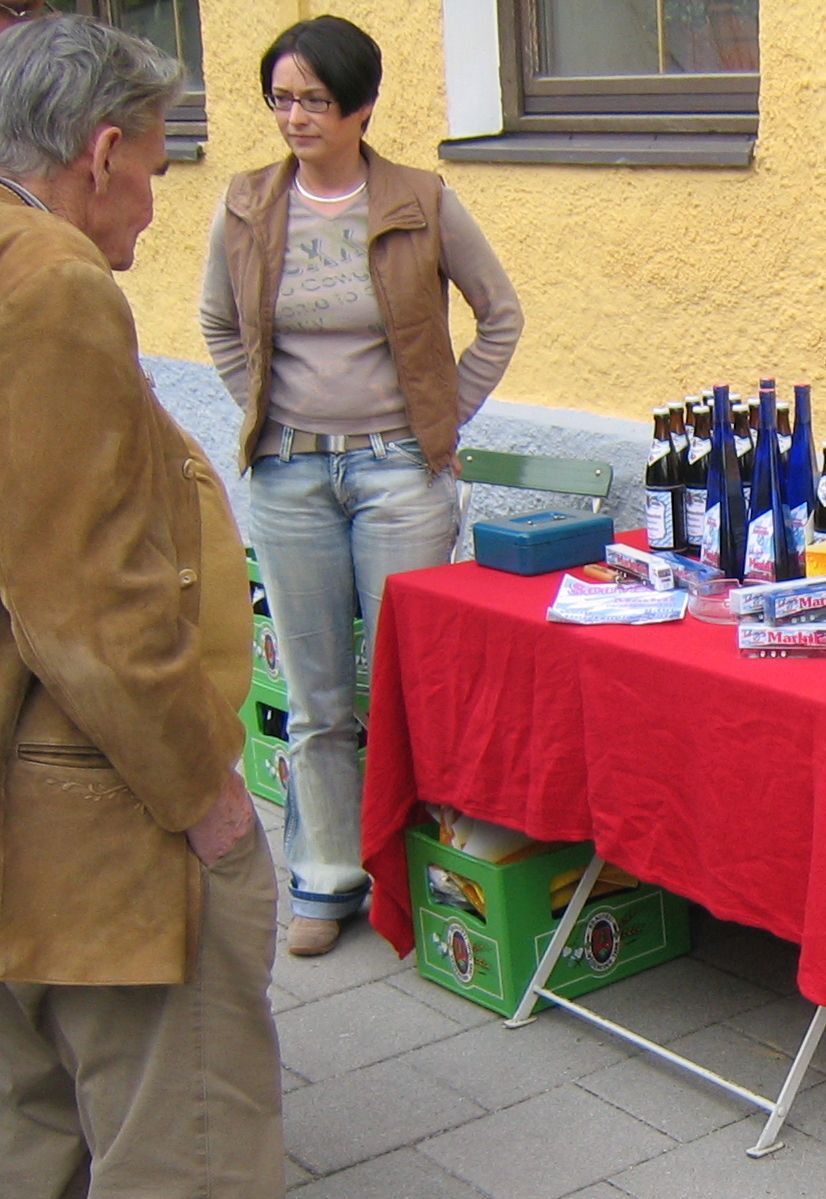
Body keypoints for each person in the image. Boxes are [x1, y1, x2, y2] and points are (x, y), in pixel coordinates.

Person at [0, 15, 362, 1199]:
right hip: (97, 794)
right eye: (152, 169)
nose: (156, 203)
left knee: (31, 1111)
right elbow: (82, 593)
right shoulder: (52, 289)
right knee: (184, 1136)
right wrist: (205, 792)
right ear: (98, 157)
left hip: (24, 802)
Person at [201, 13, 522, 958]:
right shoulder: (249, 204)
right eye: (282, 99)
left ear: (362, 106)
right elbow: (219, 326)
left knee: (406, 688)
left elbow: (498, 316)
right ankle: (326, 880)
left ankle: (421, 876)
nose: (295, 116)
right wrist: (260, 409)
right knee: (316, 699)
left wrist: (442, 418)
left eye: (315, 100)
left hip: (397, 474)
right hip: (289, 474)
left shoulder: (422, 200)